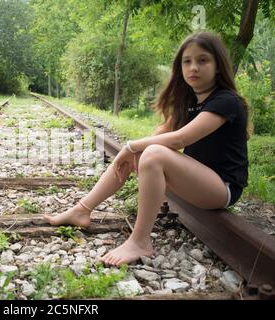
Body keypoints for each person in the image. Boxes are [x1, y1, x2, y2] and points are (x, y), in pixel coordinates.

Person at [43, 31, 250, 266]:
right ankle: (82, 209)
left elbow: (178, 140)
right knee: (145, 152)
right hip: (200, 180)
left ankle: (140, 241)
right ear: (180, 67)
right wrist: (134, 153)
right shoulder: (190, 101)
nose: (194, 67)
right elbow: (158, 137)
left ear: (219, 66)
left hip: (223, 188)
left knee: (150, 152)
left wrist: (131, 147)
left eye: (203, 60)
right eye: (187, 61)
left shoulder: (226, 101)